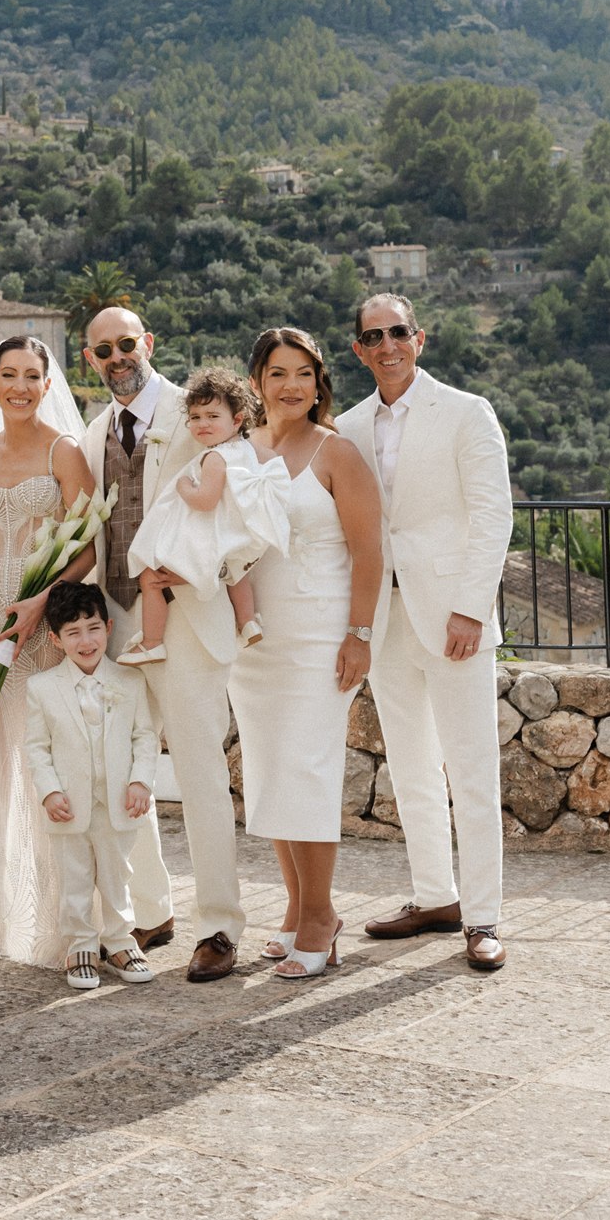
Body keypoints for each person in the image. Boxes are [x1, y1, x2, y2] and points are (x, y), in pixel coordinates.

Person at [336, 293, 514, 973]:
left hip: (450, 619)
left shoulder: (466, 412)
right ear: (357, 349)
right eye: (372, 335)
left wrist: (470, 607)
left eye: (398, 332)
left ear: (419, 338)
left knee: (470, 768)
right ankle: (433, 896)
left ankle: (483, 916)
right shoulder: (347, 426)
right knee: (409, 765)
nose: (387, 345)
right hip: (383, 620)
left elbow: (492, 514)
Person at [82, 306, 247, 982]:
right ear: (89, 359)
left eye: (126, 344)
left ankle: (218, 925)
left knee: (202, 773)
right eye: (102, 350)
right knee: (119, 772)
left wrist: (201, 570)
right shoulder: (93, 431)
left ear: (148, 343)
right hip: (117, 617)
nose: (116, 357)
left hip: (185, 614)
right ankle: (151, 910)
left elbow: (243, 497)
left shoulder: (197, 410)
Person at [230, 329, 383, 980]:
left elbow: (369, 550)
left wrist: (361, 634)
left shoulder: (335, 452)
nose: (290, 385)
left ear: (318, 381)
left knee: (309, 771)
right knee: (271, 775)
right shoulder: (237, 452)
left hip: (321, 639)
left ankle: (321, 916)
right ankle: (294, 910)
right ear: (256, 382)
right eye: (276, 372)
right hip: (256, 644)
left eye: (302, 373)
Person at [0, 336, 95, 969]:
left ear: (48, 384)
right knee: (8, 765)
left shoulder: (62, 450)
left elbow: (89, 546)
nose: (19, 385)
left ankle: (73, 929)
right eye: (8, 375)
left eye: (31, 375)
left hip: (42, 622)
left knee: (55, 767)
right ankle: (16, 921)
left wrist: (43, 601)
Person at [25, 581, 159, 990]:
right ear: (55, 638)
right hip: (69, 803)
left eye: (93, 627)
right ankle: (80, 944)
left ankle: (120, 941)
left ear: (109, 626)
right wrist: (49, 791)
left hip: (117, 801)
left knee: (117, 873)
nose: (86, 640)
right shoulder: (42, 688)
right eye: (73, 632)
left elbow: (145, 737)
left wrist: (140, 782)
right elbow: (37, 747)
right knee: (76, 876)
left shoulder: (130, 681)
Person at [119, 365, 289, 665]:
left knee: (149, 578)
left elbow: (206, 500)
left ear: (237, 420)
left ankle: (152, 641)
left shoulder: (214, 457)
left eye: (212, 416)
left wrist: (185, 487)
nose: (202, 424)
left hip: (211, 538)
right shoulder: (245, 450)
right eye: (195, 418)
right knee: (239, 574)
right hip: (235, 534)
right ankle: (248, 622)